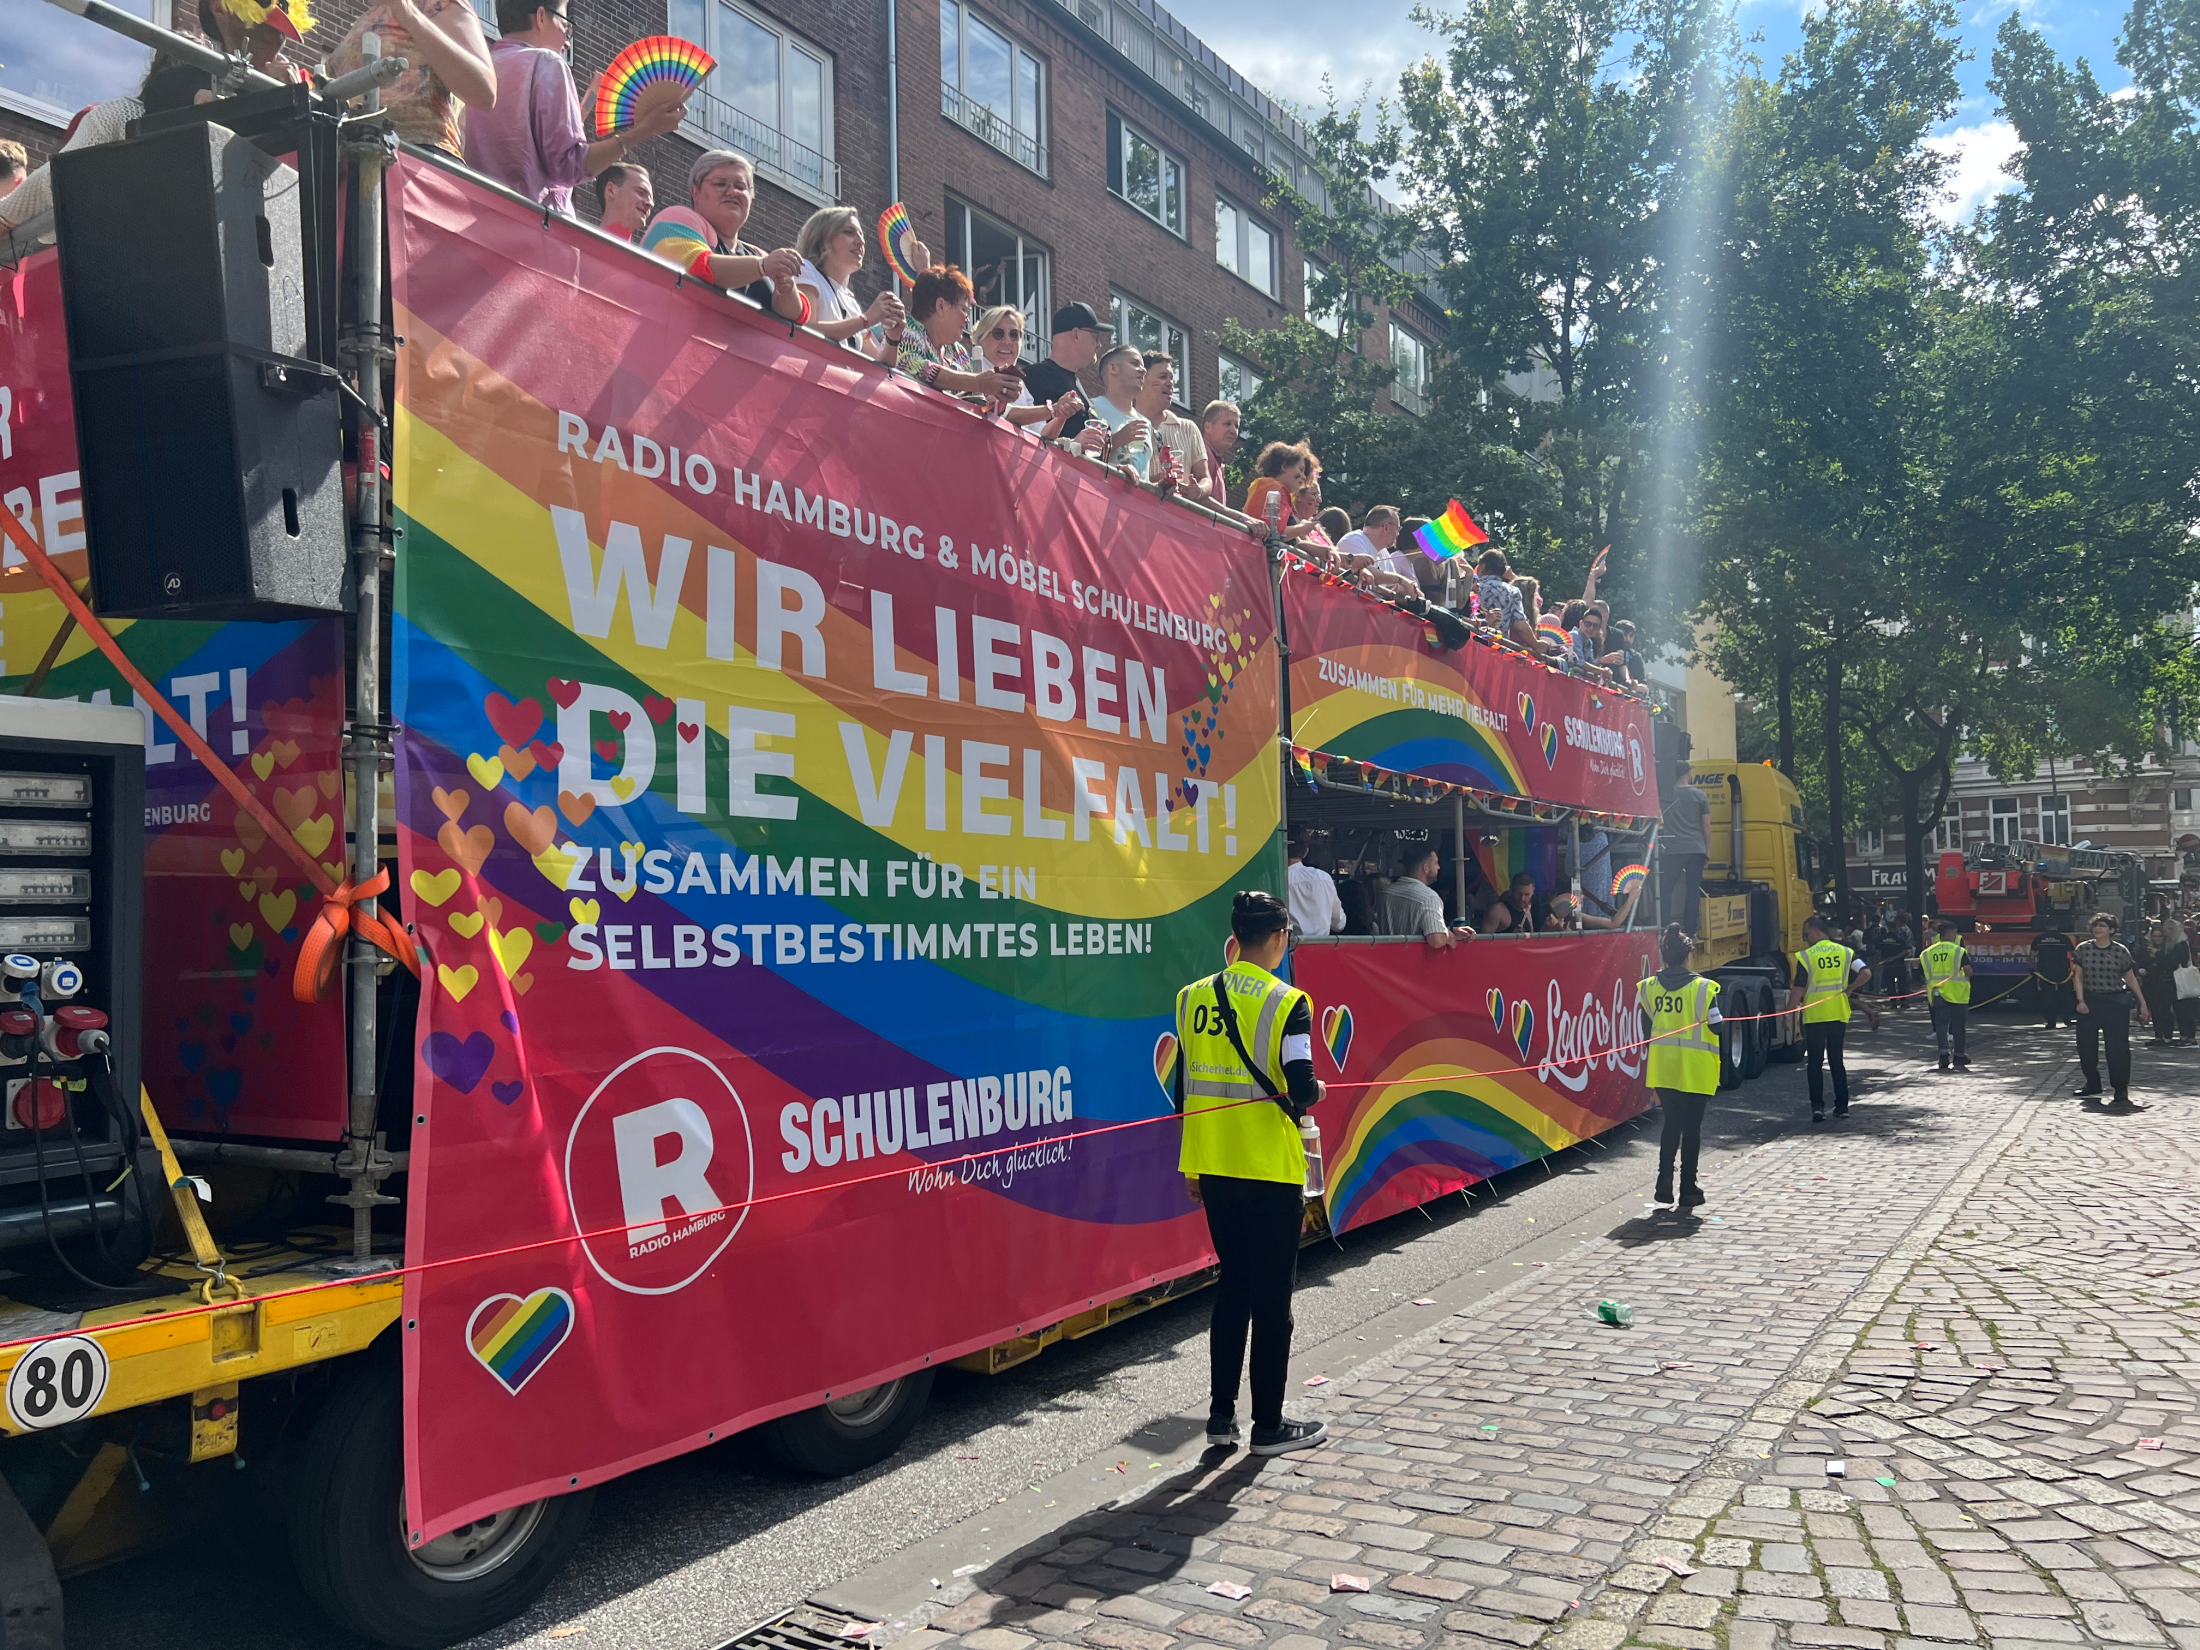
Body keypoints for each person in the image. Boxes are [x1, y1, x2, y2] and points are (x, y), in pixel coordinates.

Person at [1169, 891, 1328, 1457]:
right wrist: (1317, 1094)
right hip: (1268, 1168)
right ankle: (1268, 1425)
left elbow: (1184, 1084)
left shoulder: (1191, 999)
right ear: (1281, 938)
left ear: (1235, 938)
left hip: (1213, 1164)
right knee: (1273, 1298)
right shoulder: (1289, 1002)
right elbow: (1302, 1085)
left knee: (1232, 1287)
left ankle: (1218, 1418)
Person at [465, 0, 683, 214]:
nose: (568, 41)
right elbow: (568, 167)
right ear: (541, 17)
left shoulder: (477, 69)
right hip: (531, 230)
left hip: (475, 220)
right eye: (566, 24)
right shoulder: (546, 62)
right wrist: (646, 128)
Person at [0, 56, 218, 228]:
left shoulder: (123, 114)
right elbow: (57, 176)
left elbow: (57, 176)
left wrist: (6, 216)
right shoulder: (126, 115)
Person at [641, 151, 807, 323]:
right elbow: (700, 268)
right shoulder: (674, 219)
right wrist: (763, 267)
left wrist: (785, 288)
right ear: (695, 191)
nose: (732, 192)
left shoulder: (758, 254)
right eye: (720, 184)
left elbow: (797, 316)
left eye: (741, 187)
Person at [321, 0, 498, 159]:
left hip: (420, 162)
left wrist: (408, 13)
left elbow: (483, 91)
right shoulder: (364, 21)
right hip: (355, 158)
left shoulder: (434, 4)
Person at [1638, 924, 1722, 1209]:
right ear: (1689, 956)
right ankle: (1688, 1187)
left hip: (1663, 1067)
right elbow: (1719, 1026)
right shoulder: (1703, 988)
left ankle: (1664, 1181)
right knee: (1692, 1127)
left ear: (1664, 955)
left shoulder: (1648, 987)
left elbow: (1645, 1028)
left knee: (1671, 1123)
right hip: (1696, 1069)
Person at [870, 265, 1021, 400]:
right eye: (964, 310)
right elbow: (916, 368)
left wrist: (1001, 395)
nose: (967, 320)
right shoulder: (907, 329)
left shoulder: (958, 352)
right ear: (941, 306)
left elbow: (974, 399)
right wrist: (978, 383)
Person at [792, 206, 904, 352]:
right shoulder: (805, 269)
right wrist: (866, 319)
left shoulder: (850, 302)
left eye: (861, 235)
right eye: (849, 232)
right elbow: (805, 330)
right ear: (825, 241)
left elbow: (879, 362)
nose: (861, 242)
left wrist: (893, 338)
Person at [1795, 914, 1870, 1123]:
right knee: (1837, 1061)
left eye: (1806, 933)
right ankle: (1842, 1106)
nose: (1805, 938)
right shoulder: (1846, 952)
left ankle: (1817, 1107)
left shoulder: (1806, 956)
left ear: (1817, 931)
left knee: (1815, 1063)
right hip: (1838, 1013)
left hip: (1815, 1015)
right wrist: (1849, 990)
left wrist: (1789, 1013)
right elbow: (1866, 973)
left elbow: (1798, 988)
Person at [2072, 912, 2149, 1109]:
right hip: (2090, 1001)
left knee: (2117, 1049)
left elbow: (2130, 977)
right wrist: (2080, 1000)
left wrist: (2143, 1003)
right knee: (2086, 1047)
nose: (2098, 929)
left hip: (2115, 1001)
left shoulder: (2120, 951)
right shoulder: (2083, 949)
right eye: (2096, 926)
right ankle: (2092, 1082)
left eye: (2103, 926)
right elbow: (2078, 976)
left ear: (2112, 930)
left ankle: (2120, 1089)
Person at [971, 306, 1079, 432]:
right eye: (998, 334)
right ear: (980, 340)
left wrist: (1061, 415)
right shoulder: (973, 369)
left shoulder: (1020, 383)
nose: (1007, 341)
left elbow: (1041, 433)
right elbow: (998, 411)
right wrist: (1053, 409)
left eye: (1014, 335)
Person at [1022, 303, 1111, 452]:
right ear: (1075, 334)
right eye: (1095, 337)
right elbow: (1025, 436)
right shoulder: (1033, 377)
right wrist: (1074, 444)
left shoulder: (1077, 383)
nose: (1099, 344)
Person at [1136, 353, 1211, 495]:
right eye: (1163, 377)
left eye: (1171, 378)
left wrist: (1199, 490)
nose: (1170, 384)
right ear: (1142, 380)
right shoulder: (1126, 424)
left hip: (1176, 515)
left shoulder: (1188, 428)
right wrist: (1157, 481)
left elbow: (1205, 477)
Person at [1380, 842, 1464, 951]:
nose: (1438, 867)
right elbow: (1436, 940)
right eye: (1436, 863)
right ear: (1425, 868)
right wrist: (1448, 935)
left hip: (1385, 960)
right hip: (1417, 962)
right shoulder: (1429, 898)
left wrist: (1448, 930)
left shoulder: (1385, 893)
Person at [1661, 766, 1711, 936]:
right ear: (1688, 773)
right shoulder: (1699, 796)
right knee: (1693, 888)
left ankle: (1664, 925)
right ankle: (1690, 930)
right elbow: (1706, 826)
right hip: (1696, 848)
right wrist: (1707, 849)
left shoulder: (1666, 796)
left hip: (1673, 848)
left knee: (1667, 888)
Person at [1920, 920, 1974, 1073]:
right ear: (1951, 932)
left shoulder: (1927, 953)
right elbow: (1968, 971)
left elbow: (1925, 974)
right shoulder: (1958, 951)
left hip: (1937, 994)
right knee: (1959, 1027)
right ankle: (1959, 1055)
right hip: (1958, 993)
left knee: (1941, 1026)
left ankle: (1943, 1054)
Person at [1242, 442, 1319, 543]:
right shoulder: (1278, 491)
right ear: (1284, 467)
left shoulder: (1261, 484)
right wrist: (1301, 528)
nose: (1303, 477)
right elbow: (1276, 534)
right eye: (1301, 469)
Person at [1471, 549, 1535, 649]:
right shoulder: (1513, 591)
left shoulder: (1471, 587)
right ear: (1503, 571)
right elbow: (1520, 626)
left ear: (1482, 567)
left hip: (1471, 645)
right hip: (1498, 649)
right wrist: (1537, 644)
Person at [1286, 839, 1345, 939]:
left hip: (1288, 949)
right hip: (1321, 949)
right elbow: (1339, 923)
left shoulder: (1273, 880)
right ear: (1306, 852)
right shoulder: (1324, 878)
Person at [2142, 917, 2187, 1047]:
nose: (2159, 938)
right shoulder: (2148, 947)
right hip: (2154, 982)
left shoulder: (2178, 945)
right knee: (2157, 1010)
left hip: (2171, 982)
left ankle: (2171, 1036)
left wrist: (2158, 955)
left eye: (2162, 935)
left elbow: (2170, 963)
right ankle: (2160, 1036)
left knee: (2169, 1010)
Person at [595, 161, 653, 241]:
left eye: (651, 199)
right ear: (611, 190)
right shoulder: (577, 247)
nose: (650, 204)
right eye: (641, 192)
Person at [2031, 927, 2075, 1029]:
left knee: (2048, 997)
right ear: (2056, 925)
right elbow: (2073, 954)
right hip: (2062, 971)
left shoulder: (2039, 939)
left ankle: (2051, 1022)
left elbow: (2032, 955)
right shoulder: (2063, 938)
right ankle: (2067, 1019)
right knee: (2066, 995)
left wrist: (2030, 968)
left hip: (2045, 972)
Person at [1201, 400, 1241, 507]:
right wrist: (1239, 518)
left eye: (1236, 426)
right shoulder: (1203, 453)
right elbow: (1198, 498)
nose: (1233, 430)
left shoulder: (1215, 459)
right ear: (1208, 427)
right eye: (1227, 424)